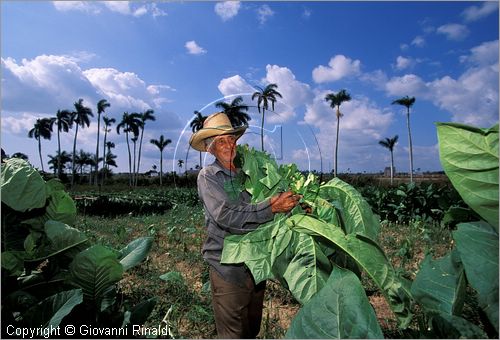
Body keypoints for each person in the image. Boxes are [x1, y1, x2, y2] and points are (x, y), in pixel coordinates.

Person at [189, 112, 300, 338]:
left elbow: (269, 206)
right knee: (233, 334)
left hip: (256, 265)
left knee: (251, 329)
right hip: (228, 269)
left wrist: (294, 205)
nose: (229, 144)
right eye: (221, 141)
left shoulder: (248, 173)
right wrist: (271, 208)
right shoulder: (209, 177)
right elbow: (226, 215)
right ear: (210, 148)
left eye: (231, 139)